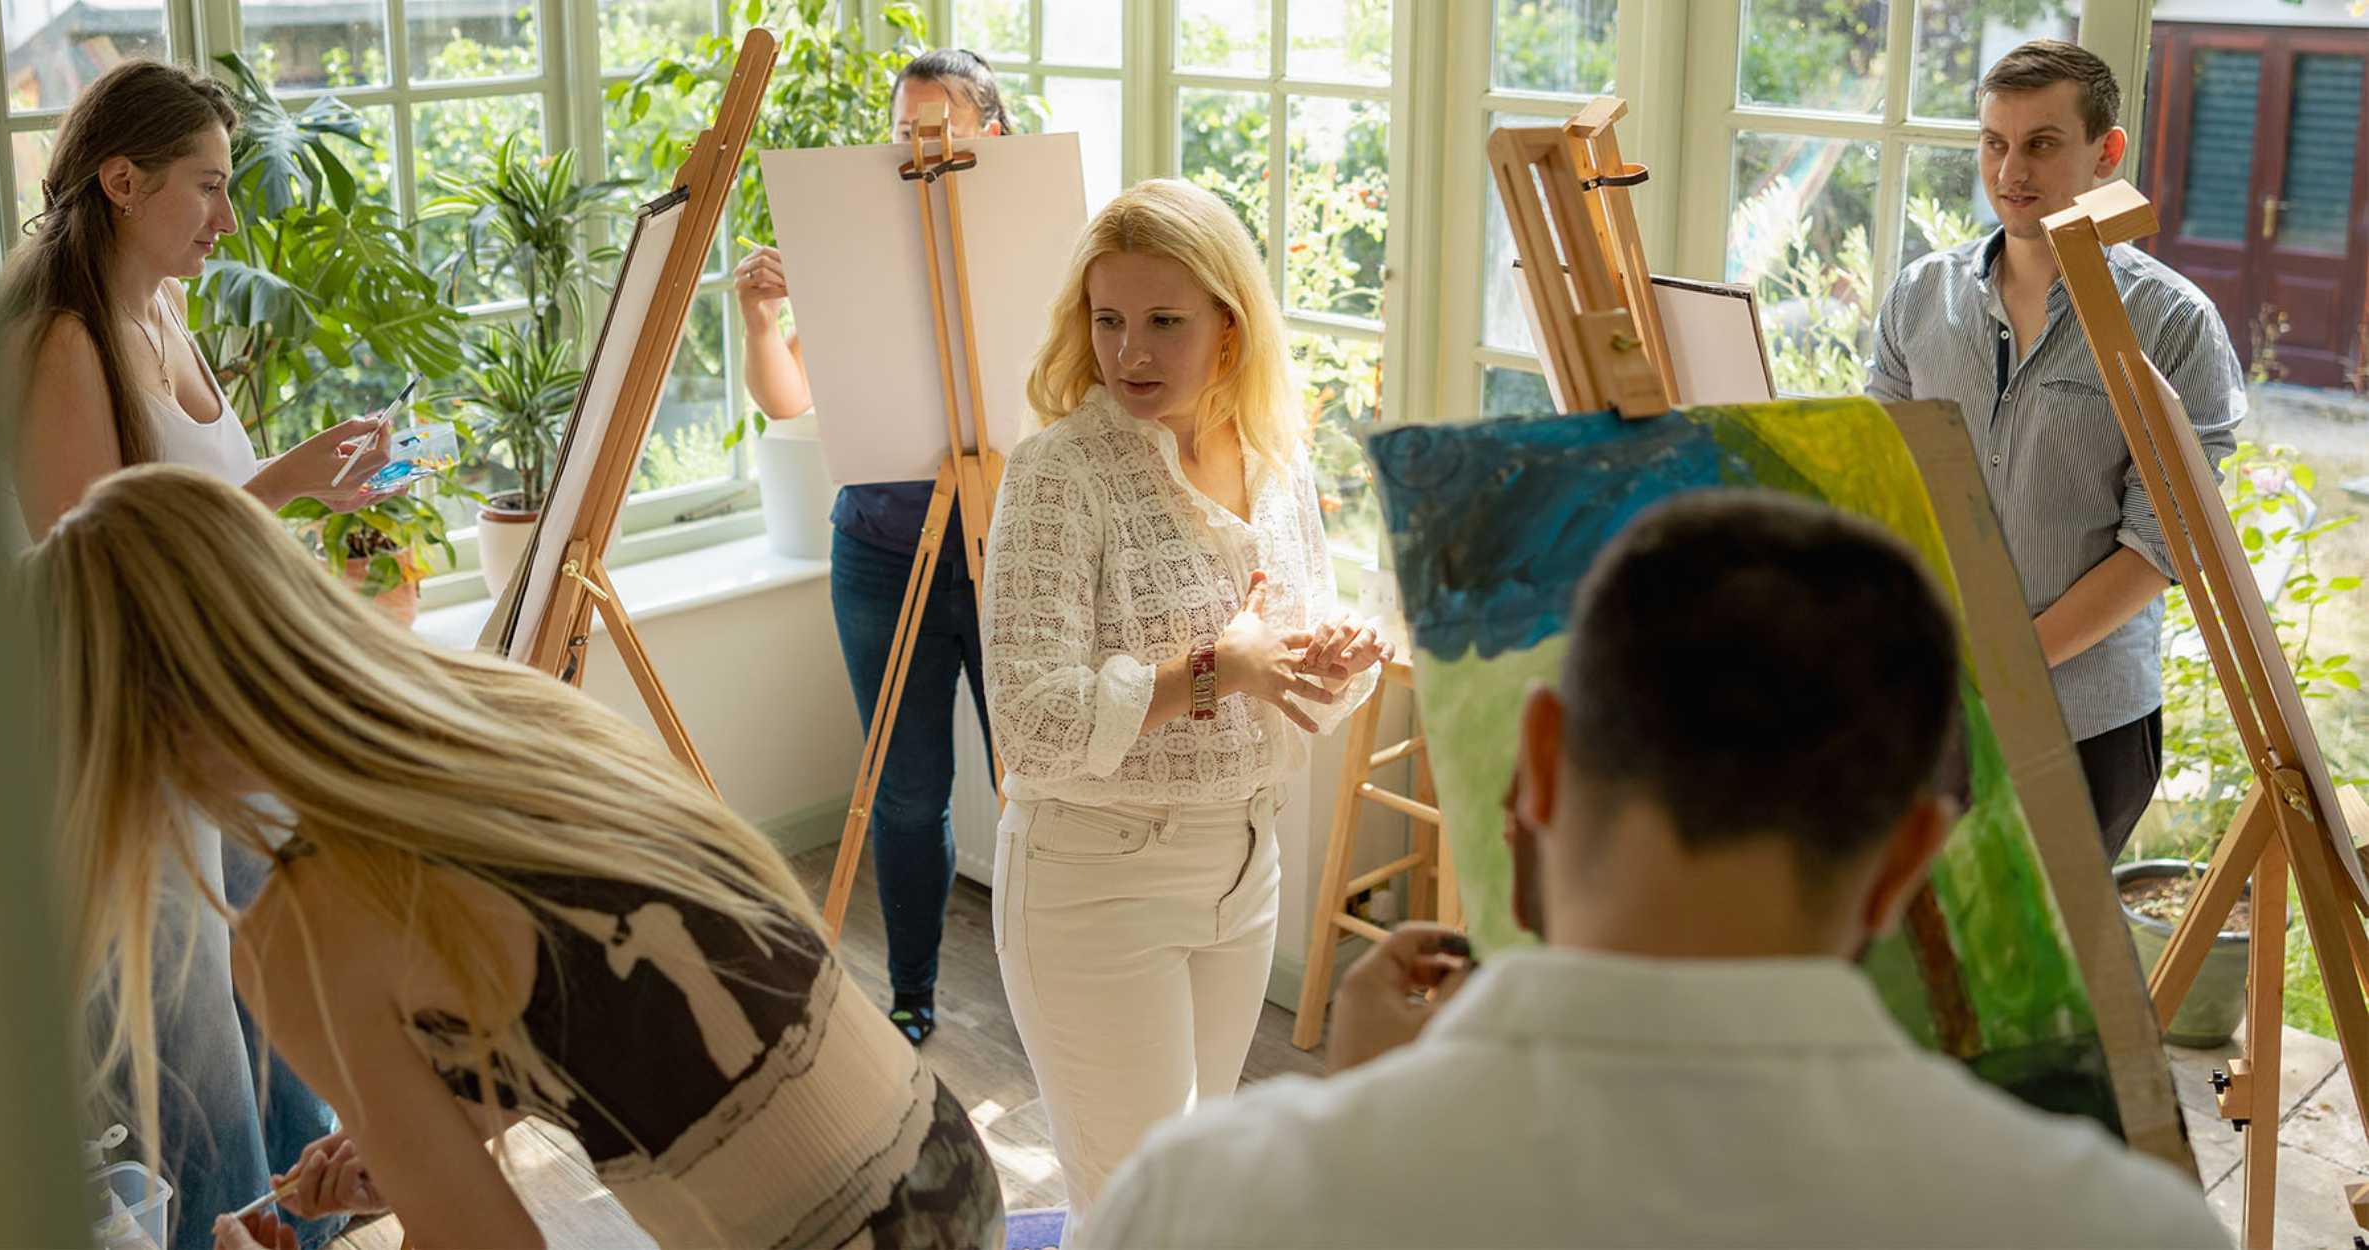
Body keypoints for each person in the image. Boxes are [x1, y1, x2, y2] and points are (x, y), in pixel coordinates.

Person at [1079, 490, 2230, 1250]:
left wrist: (1357, 1122)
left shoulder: (1205, 1202)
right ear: (1907, 863)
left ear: (1533, 769)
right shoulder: (2119, 1227)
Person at [32, 464, 1006, 1250]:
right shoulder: (495, 708)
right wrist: (425, 1136)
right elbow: (604, 1004)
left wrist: (421, 1165)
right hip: (946, 1169)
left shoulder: (297, 927)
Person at [0, 58, 399, 1250]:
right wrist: (284, 481)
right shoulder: (58, 343)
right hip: (118, 738)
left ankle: (299, 1230)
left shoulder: (164, 309)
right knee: (195, 1064)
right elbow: (103, 566)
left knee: (284, 999)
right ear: (123, 179)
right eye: (208, 186)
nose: (231, 214)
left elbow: (214, 513)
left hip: (217, 710)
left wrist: (307, 496)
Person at [980, 176, 1392, 1222]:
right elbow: (1029, 720)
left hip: (1244, 864)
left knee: (1199, 1196)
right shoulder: (1058, 472)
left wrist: (1328, 667)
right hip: (1094, 878)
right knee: (1131, 1210)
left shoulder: (1277, 460)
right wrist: (1217, 667)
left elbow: (1285, 667)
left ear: (1228, 326)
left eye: (1164, 320)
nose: (1130, 353)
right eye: (1108, 319)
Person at [1867, 38, 2243, 862]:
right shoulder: (1918, 297)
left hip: (2086, 723)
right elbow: (1880, 477)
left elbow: (2162, 542)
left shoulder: (2174, 325)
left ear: (2105, 152)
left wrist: (2001, 662)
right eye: (1995, 142)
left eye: (2041, 143)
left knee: (2043, 978)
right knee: (1919, 966)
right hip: (1929, 706)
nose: (2011, 172)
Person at [733, 48, 1016, 1048]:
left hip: (1006, 553)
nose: (919, 144)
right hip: (882, 555)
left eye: (939, 126)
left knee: (1032, 784)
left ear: (992, 133)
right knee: (903, 794)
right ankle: (913, 990)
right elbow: (786, 397)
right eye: (904, 129)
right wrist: (760, 315)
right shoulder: (857, 241)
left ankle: (1043, 980)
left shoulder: (1032, 241)